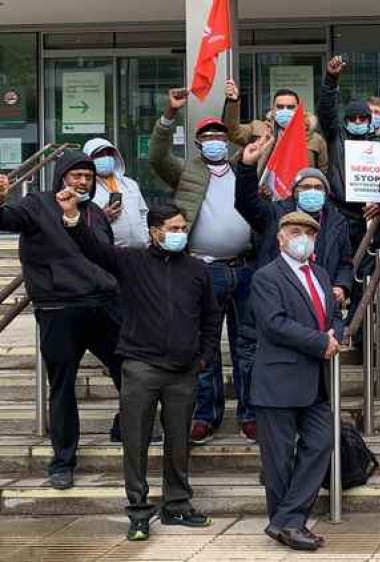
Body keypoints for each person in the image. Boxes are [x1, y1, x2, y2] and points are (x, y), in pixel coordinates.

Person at [60, 199, 220, 541]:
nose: (180, 234)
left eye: (182, 228)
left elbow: (210, 317)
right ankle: (138, 510)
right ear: (155, 232)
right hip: (141, 367)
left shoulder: (196, 269)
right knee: (136, 441)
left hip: (183, 370)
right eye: (173, 229)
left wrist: (203, 357)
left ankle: (177, 504)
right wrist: (73, 218)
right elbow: (93, 248)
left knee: (179, 441)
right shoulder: (131, 261)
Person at [0, 151, 123, 490]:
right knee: (63, 387)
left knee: (129, 369)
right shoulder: (36, 205)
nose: (82, 182)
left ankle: (126, 428)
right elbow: (6, 220)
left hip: (103, 305)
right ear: (61, 177)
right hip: (58, 310)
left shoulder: (95, 212)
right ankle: (63, 461)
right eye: (75, 176)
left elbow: (106, 257)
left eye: (88, 176)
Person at [150, 87, 256, 445]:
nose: (213, 141)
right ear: (197, 144)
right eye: (206, 137)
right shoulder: (186, 173)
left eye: (218, 136)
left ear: (227, 142)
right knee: (205, 349)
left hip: (244, 269)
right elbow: (157, 156)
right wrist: (169, 114)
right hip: (203, 270)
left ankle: (250, 413)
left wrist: (234, 104)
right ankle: (204, 415)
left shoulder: (246, 168)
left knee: (247, 344)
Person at [252, 212, 340, 552]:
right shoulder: (266, 277)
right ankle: (290, 524)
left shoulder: (319, 273)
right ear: (280, 238)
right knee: (277, 459)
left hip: (315, 380)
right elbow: (274, 323)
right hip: (278, 379)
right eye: (295, 231)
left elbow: (332, 316)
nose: (302, 237)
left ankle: (285, 520)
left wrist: (336, 333)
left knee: (321, 443)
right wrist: (321, 342)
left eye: (308, 232)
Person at [317, 56, 380, 324]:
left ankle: (359, 326)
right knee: (334, 266)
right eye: (353, 118)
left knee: (364, 272)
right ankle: (331, 318)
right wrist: (331, 80)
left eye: (363, 118)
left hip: (369, 217)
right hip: (339, 212)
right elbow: (326, 111)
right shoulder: (336, 138)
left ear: (371, 121)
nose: (358, 121)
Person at [235, 135, 353, 291]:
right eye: (305, 187)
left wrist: (341, 285)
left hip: (321, 294)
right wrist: (247, 166)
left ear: (325, 193)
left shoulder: (337, 221)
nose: (312, 191)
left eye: (318, 188)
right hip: (279, 293)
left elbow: (345, 263)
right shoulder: (275, 213)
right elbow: (246, 203)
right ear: (295, 192)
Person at [223, 80, 329, 176]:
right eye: (280, 107)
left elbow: (322, 173)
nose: (285, 111)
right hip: (263, 194)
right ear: (272, 109)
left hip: (298, 193)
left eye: (290, 107)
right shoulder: (258, 129)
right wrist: (233, 102)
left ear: (299, 110)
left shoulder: (315, 139)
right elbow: (233, 132)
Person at [83, 138, 150, 249]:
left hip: (140, 252)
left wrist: (146, 237)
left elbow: (143, 213)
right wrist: (103, 217)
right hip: (111, 253)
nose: (105, 157)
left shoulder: (130, 184)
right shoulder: (86, 188)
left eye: (108, 153)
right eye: (99, 155)